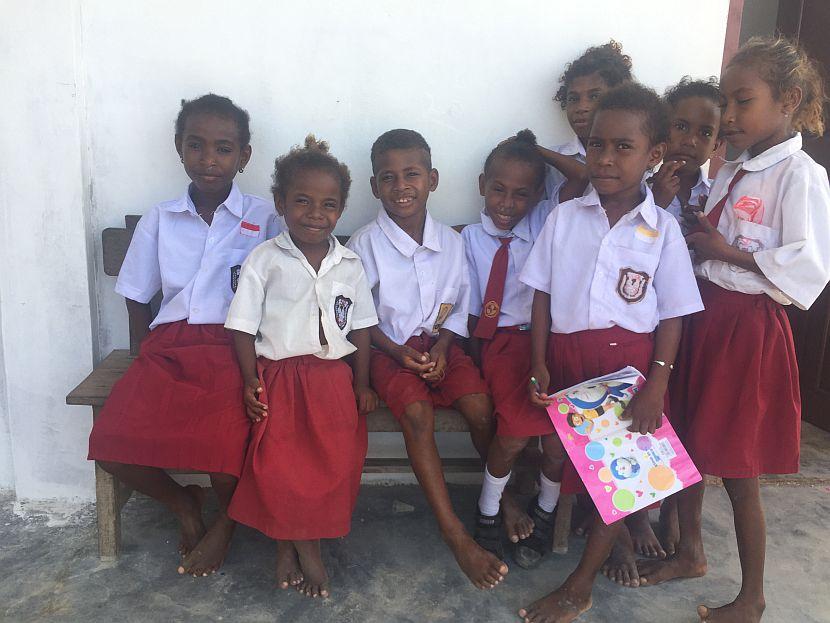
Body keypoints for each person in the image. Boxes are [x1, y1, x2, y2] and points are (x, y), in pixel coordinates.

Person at [637, 37, 830, 623]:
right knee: (689, 441)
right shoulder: (734, 169)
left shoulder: (801, 175)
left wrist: (727, 253)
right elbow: (712, 242)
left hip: (747, 330)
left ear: (789, 100)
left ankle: (752, 597)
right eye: (728, 101)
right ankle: (690, 552)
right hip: (705, 316)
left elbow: (808, 267)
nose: (730, 116)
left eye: (743, 102)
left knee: (740, 468)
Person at [517, 83, 703, 622]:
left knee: (621, 471)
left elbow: (672, 315)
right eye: (597, 144)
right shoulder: (564, 217)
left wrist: (657, 386)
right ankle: (614, 537)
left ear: (654, 155)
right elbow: (543, 296)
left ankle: (580, 585)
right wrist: (538, 360)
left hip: (629, 368)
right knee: (579, 463)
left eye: (623, 147)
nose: (604, 158)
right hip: (570, 358)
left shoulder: (661, 230)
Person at [87, 94, 283, 576]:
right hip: (169, 347)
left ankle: (225, 525)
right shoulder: (162, 218)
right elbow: (137, 294)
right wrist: (141, 359)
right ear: (180, 148)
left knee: (222, 455)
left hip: (233, 349)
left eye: (222, 148)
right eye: (196, 146)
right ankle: (183, 504)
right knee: (109, 444)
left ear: (244, 155)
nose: (209, 159)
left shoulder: (265, 218)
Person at [347, 129, 506, 590]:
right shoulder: (365, 244)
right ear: (374, 186)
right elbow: (359, 318)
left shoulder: (451, 243)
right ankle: (453, 531)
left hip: (441, 348)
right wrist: (397, 351)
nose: (401, 186)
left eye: (412, 174)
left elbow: (459, 305)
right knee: (416, 415)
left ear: (432, 179)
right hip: (385, 351)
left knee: (480, 406)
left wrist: (441, 349)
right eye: (388, 177)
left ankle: (500, 496)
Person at [225, 135, 378, 599]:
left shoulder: (349, 263)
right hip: (280, 377)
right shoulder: (265, 260)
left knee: (333, 463)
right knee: (280, 465)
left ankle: (287, 545)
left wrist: (363, 384)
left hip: (332, 378)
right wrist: (251, 381)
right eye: (303, 202)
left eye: (329, 205)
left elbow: (363, 328)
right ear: (280, 203)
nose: (316, 213)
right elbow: (241, 326)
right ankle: (305, 550)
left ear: (341, 210)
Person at [464, 130, 584, 569]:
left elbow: (581, 175)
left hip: (548, 342)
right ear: (482, 185)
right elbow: (468, 311)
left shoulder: (545, 223)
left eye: (521, 194)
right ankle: (489, 512)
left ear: (538, 196)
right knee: (513, 434)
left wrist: (535, 150)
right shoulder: (467, 241)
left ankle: (546, 513)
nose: (507, 203)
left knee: (556, 441)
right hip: (499, 346)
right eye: (498, 189)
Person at [539, 40, 633, 202]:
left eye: (594, 96)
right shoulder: (552, 162)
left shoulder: (633, 155)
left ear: (619, 98)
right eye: (573, 98)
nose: (581, 107)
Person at [652, 77, 724, 235]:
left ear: (715, 146)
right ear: (662, 130)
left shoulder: (718, 196)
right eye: (681, 127)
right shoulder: (638, 190)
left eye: (705, 133)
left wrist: (709, 223)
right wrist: (654, 205)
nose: (690, 141)